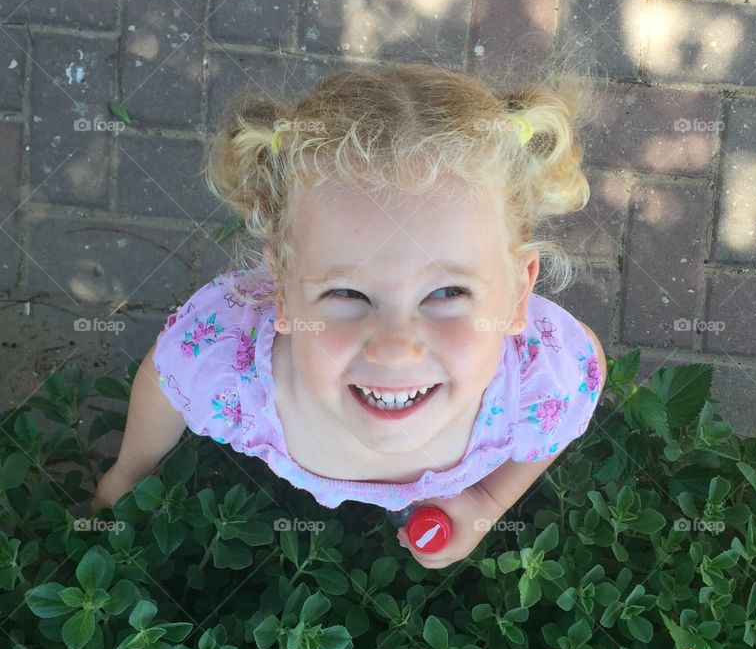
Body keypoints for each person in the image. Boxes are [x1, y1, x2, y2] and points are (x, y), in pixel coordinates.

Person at [91, 61, 609, 567]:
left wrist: (487, 504)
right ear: (284, 293)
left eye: (447, 292)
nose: (395, 348)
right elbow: (166, 376)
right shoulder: (230, 360)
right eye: (348, 294)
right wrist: (127, 474)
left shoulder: (537, 381)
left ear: (518, 296)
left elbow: (587, 375)